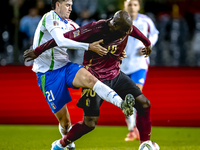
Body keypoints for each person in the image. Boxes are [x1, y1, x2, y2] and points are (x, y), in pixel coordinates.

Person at [23, 10, 152, 150]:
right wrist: (37, 51)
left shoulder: (125, 28)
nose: (124, 34)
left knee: (144, 104)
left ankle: (145, 143)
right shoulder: (94, 29)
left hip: (115, 74)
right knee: (89, 123)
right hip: (94, 79)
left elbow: (136, 32)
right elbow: (61, 39)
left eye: (126, 32)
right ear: (113, 24)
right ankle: (61, 144)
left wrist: (147, 43)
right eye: (122, 31)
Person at [121, 0, 159, 141]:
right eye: (129, 4)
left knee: (135, 96)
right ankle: (132, 129)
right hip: (122, 66)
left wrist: (148, 45)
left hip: (139, 64)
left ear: (139, 7)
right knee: (126, 99)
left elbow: (154, 34)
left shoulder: (146, 21)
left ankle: (135, 130)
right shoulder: (118, 21)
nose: (132, 7)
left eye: (135, 4)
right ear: (125, 6)